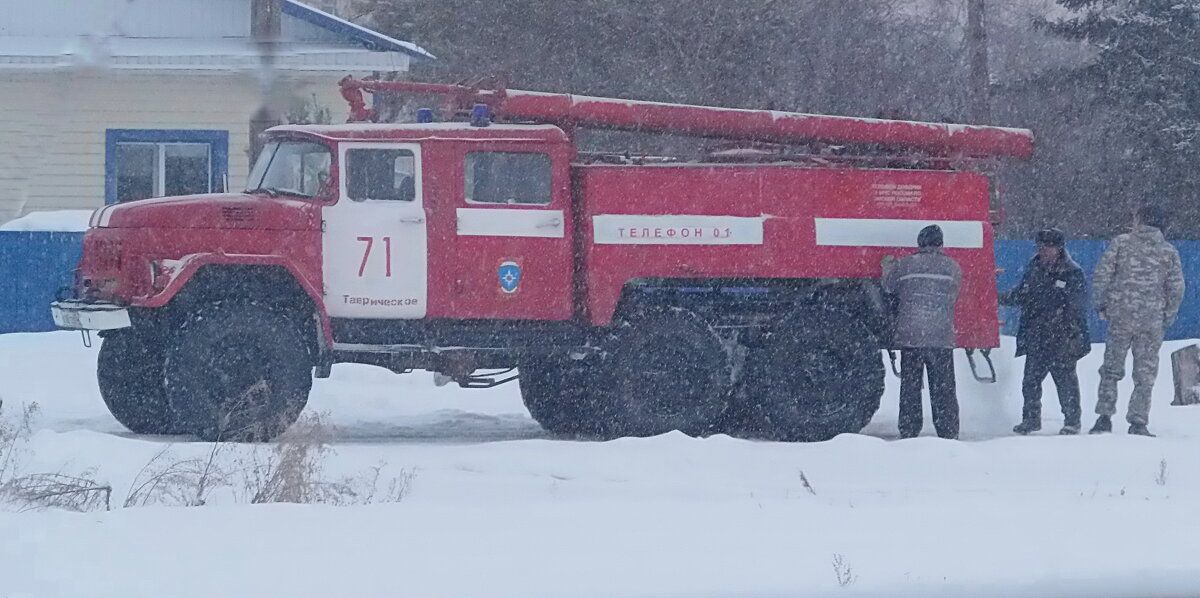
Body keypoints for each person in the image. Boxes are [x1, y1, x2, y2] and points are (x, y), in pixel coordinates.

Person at [1090, 205, 1185, 437]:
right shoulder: (1168, 251)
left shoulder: (1121, 243)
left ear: (1140, 220)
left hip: (1121, 315)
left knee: (1111, 368)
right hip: (1151, 320)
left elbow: (1102, 276)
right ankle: (1138, 421)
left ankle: (1104, 416)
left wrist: (1102, 305)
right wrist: (1166, 316)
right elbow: (1176, 288)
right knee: (1145, 374)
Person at [1000, 228, 1090, 435]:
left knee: (1065, 380)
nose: (1043, 251)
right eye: (1041, 247)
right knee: (1030, 381)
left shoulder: (1071, 272)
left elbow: (1077, 305)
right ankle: (1031, 419)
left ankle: (1072, 420)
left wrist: (1064, 321)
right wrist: (998, 297)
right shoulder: (1034, 268)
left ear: (1058, 248)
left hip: (1061, 336)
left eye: (1048, 247)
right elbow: (1022, 293)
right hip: (1036, 334)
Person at [882, 224, 963, 439]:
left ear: (920, 243)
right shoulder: (953, 267)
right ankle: (947, 430)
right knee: (944, 390)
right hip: (941, 337)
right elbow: (955, 293)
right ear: (941, 244)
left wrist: (887, 267)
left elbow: (889, 288)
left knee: (910, 388)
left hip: (911, 337)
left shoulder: (905, 265)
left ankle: (909, 430)